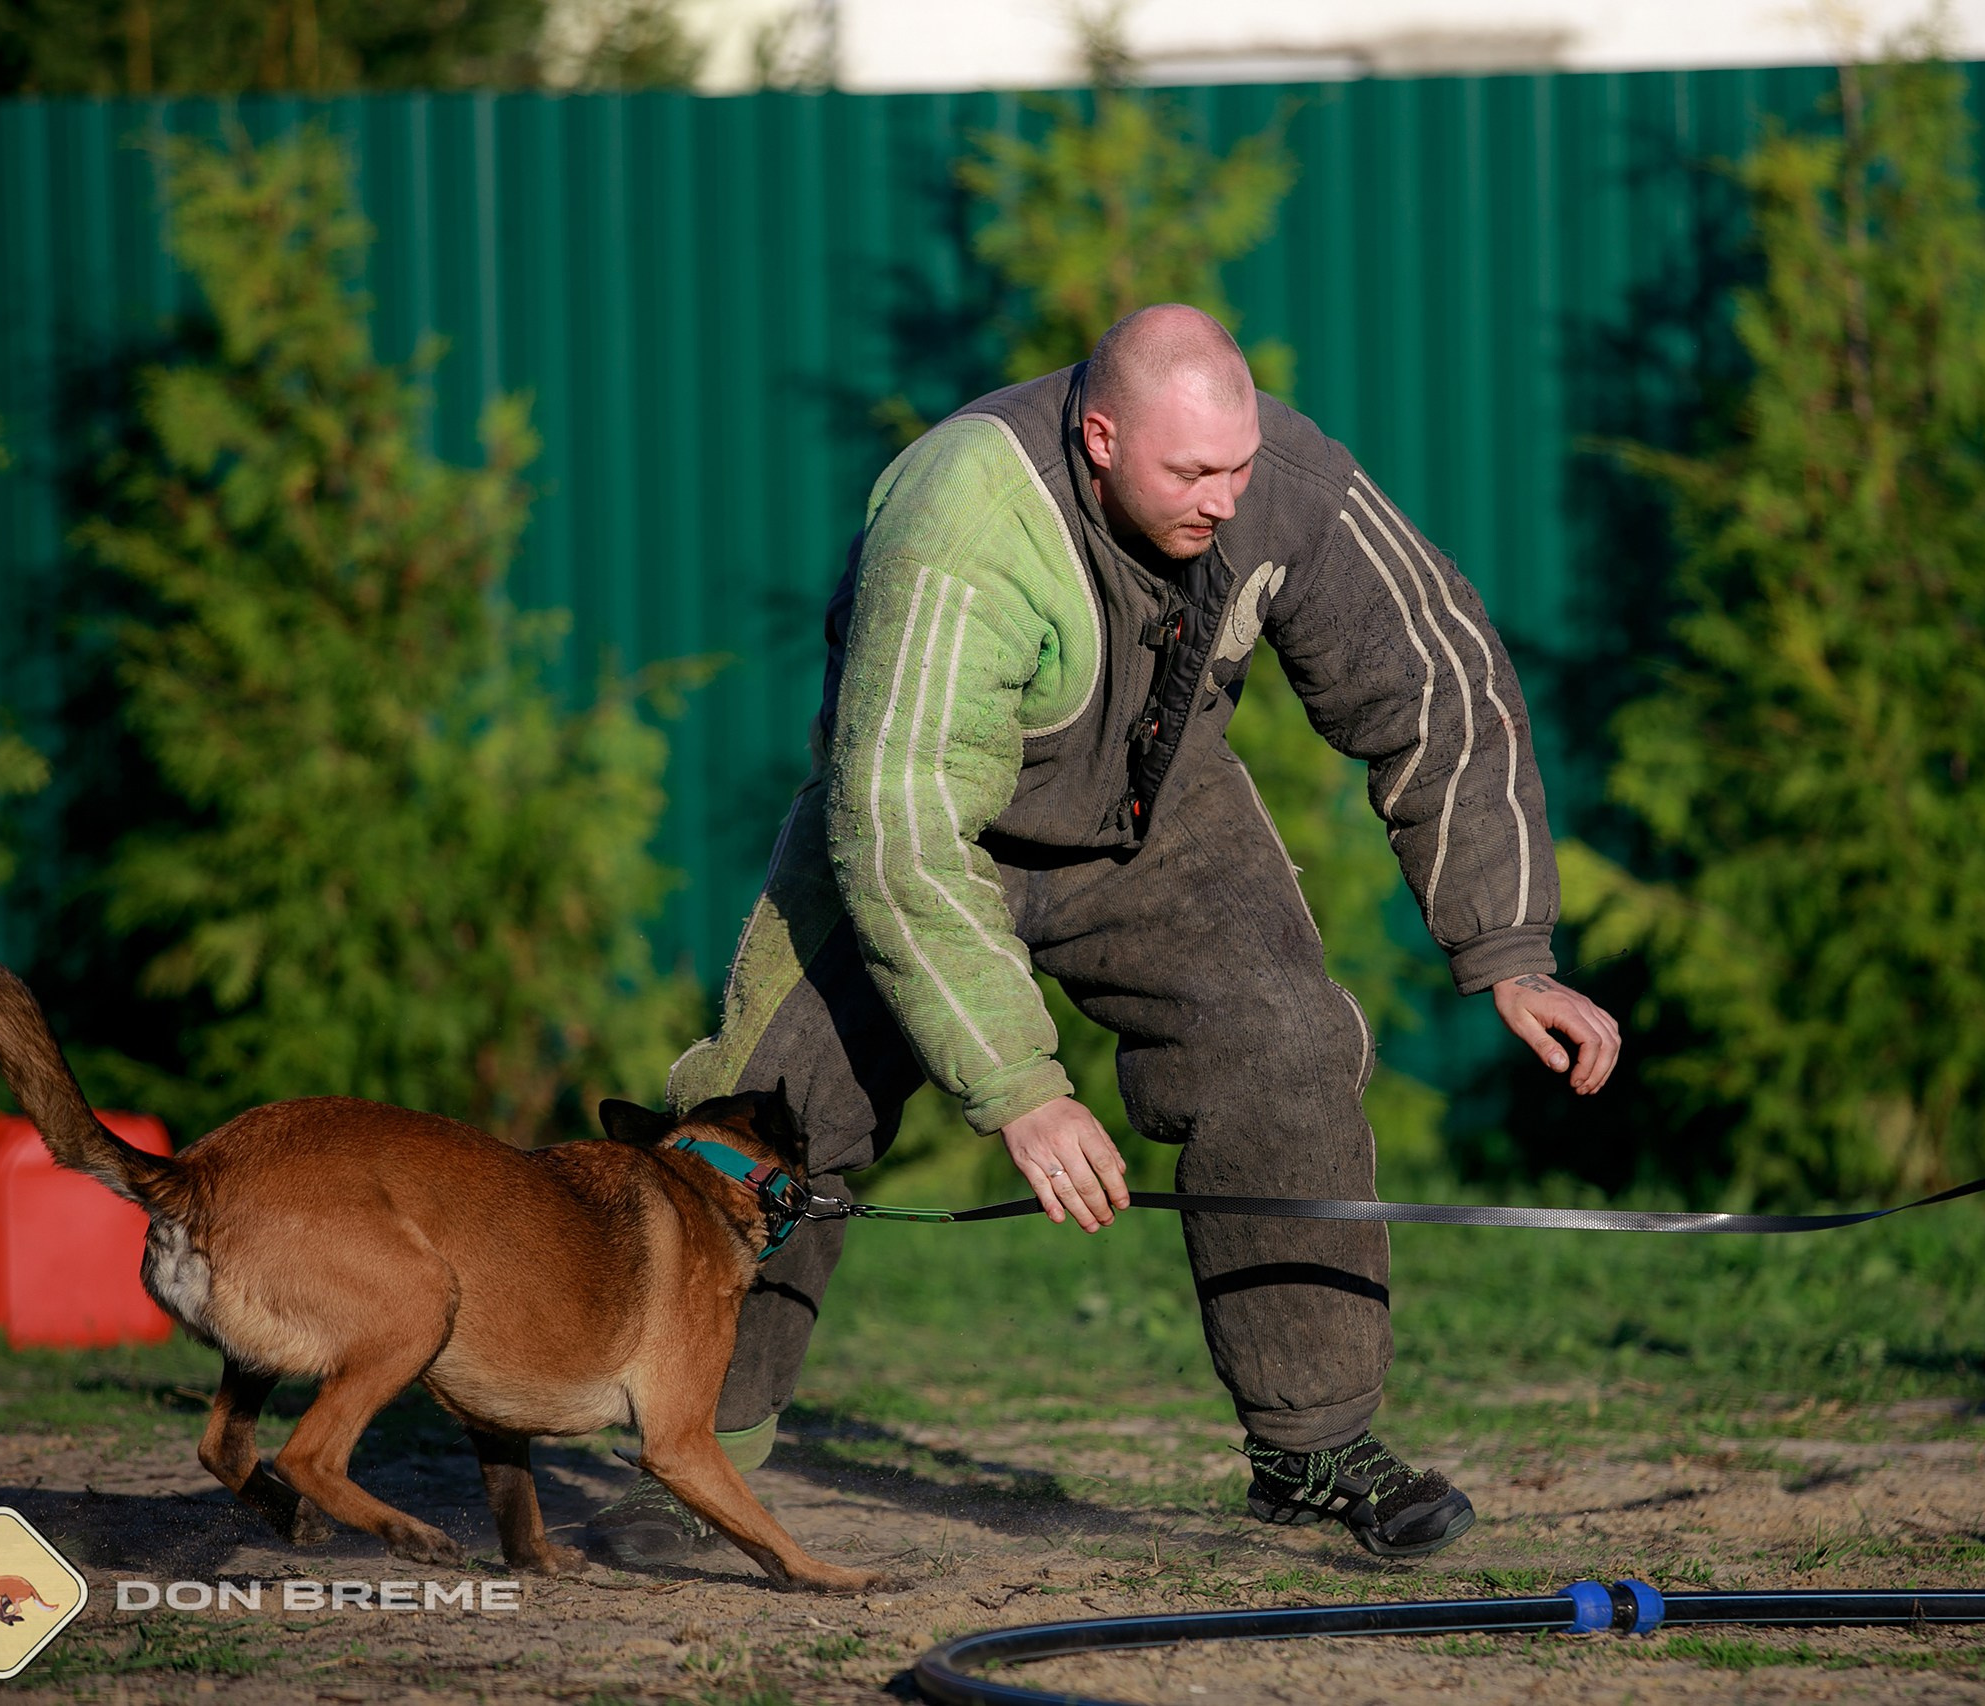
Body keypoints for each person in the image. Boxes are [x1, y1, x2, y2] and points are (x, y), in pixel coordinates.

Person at [591, 304, 1621, 1565]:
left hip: (1155, 811)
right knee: (767, 1117)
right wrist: (1019, 1085)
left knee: (1286, 1042)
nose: (1225, 499)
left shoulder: (1276, 479)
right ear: (1097, 435)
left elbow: (1437, 677)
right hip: (920, 829)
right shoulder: (965, 520)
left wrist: (1508, 946)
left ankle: (1315, 1445)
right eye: (1191, 473)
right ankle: (689, 1454)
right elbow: (901, 824)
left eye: (1237, 465)